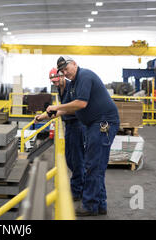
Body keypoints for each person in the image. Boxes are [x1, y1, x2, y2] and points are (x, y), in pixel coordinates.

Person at [45, 56, 120, 216]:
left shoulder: (84, 76)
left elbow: (80, 104)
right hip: (93, 124)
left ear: (74, 64)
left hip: (102, 123)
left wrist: (57, 106)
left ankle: (90, 205)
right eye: (62, 71)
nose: (65, 73)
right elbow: (69, 108)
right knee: (95, 165)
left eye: (66, 69)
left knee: (92, 165)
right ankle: (100, 204)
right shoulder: (74, 85)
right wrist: (45, 116)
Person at [34, 68, 86, 202]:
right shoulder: (60, 89)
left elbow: (69, 109)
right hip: (69, 126)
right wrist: (42, 117)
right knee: (69, 159)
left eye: (57, 81)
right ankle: (80, 185)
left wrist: (51, 113)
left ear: (63, 77)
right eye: (53, 82)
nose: (55, 84)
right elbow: (60, 110)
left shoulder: (71, 88)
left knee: (77, 160)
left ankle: (77, 191)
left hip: (77, 125)